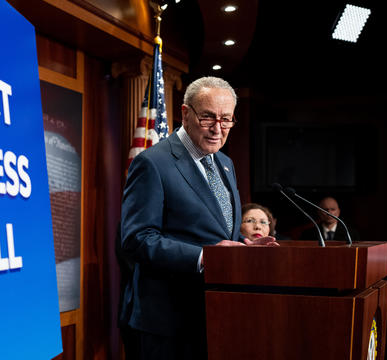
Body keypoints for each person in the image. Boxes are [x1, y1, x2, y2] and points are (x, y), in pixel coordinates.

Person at [118, 76, 277, 360]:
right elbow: (136, 239)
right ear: (185, 113)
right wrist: (205, 257)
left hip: (215, 313)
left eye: (226, 119)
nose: (218, 129)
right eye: (208, 118)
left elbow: (212, 229)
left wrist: (242, 248)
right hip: (166, 323)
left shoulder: (225, 163)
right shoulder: (153, 163)